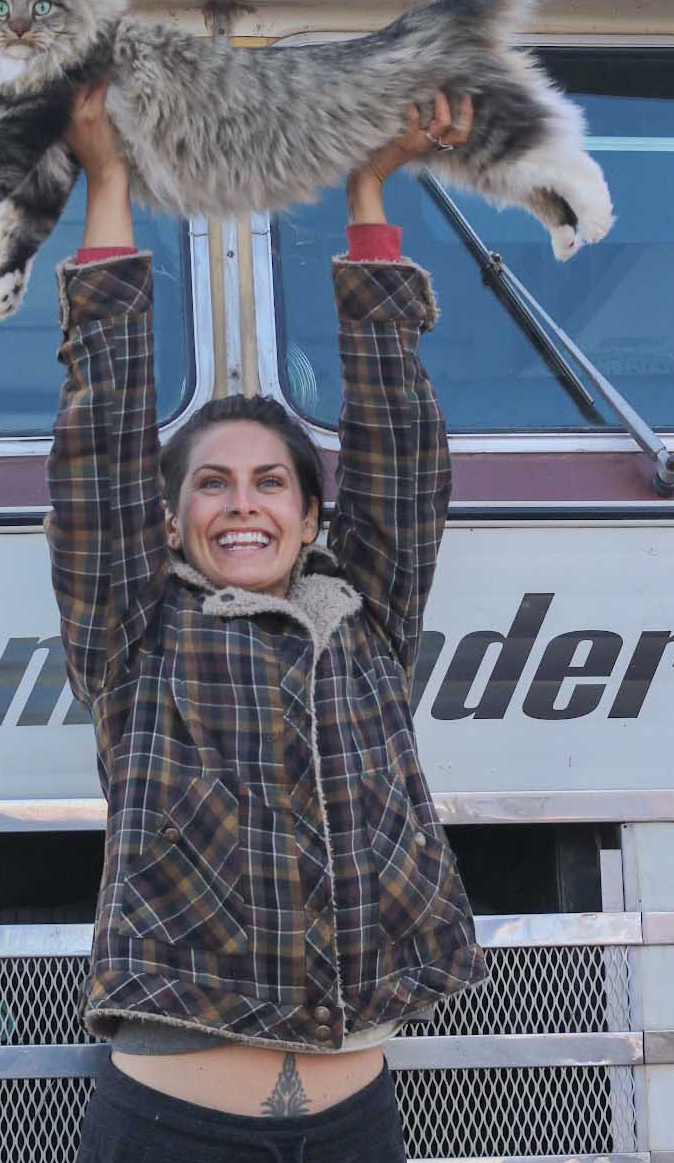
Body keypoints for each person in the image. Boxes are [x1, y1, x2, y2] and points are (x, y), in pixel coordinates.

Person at [49, 84, 485, 1163]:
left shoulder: (366, 615)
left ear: (309, 511)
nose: (242, 500)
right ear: (172, 515)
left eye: (270, 481)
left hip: (355, 1124)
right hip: (168, 1127)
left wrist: (369, 189)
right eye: (211, 483)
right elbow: (101, 428)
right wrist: (108, 181)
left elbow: (397, 435)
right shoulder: (134, 627)